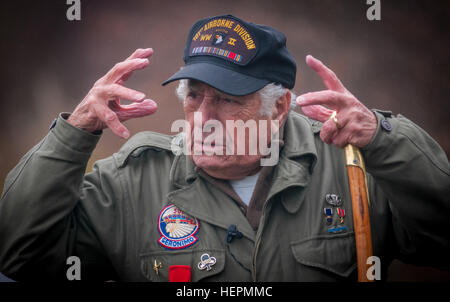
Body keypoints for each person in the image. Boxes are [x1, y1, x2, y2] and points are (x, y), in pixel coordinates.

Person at [0, 14, 449, 282]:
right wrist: (74, 132)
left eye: (230, 100)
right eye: (195, 95)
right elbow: (20, 257)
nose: (204, 118)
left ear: (280, 108)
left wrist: (385, 138)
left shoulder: (351, 166)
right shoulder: (131, 180)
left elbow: (438, 237)